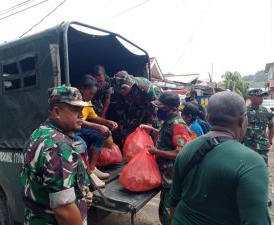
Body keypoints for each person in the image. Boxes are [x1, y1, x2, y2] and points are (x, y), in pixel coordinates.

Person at [170, 91, 270, 225]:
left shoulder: (186, 149)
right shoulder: (252, 163)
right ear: (242, 119)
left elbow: (174, 205)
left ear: (207, 116)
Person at [20, 85, 93, 225]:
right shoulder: (58, 147)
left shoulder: (40, 133)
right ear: (57, 112)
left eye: (81, 110)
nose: (81, 115)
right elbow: (64, 209)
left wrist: (83, 194)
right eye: (75, 110)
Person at [139, 91, 191, 225]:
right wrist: (151, 129)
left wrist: (156, 151)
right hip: (166, 177)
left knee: (168, 215)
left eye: (162, 108)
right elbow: (168, 137)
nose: (158, 111)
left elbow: (181, 153)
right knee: (163, 212)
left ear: (174, 109)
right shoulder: (168, 121)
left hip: (173, 179)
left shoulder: (178, 125)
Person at [78, 74, 118, 188]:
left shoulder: (87, 102)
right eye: (89, 93)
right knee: (81, 144)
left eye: (93, 94)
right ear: (82, 89)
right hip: (72, 130)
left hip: (80, 128)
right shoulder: (75, 101)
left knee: (101, 135)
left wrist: (107, 122)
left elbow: (94, 117)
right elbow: (77, 121)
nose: (91, 97)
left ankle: (92, 168)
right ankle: (88, 174)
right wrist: (97, 126)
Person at [112, 70, 162, 146]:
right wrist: (121, 124)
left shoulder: (145, 87)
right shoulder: (120, 93)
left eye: (123, 89)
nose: (121, 92)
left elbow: (155, 106)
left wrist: (149, 123)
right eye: (119, 90)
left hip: (150, 106)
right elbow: (120, 108)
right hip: (136, 105)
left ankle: (153, 150)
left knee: (152, 130)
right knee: (129, 129)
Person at [243, 88, 274, 165]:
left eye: (262, 96)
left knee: (262, 165)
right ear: (251, 98)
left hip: (262, 145)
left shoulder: (266, 111)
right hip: (247, 144)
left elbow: (271, 126)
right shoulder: (244, 111)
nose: (262, 99)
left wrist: (270, 140)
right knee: (247, 166)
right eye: (259, 96)